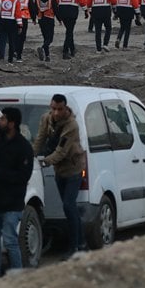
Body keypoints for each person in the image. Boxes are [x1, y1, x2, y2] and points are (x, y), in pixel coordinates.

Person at [0, 106, 35, 278]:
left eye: (3, 119)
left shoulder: (24, 147)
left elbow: (22, 176)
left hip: (13, 201)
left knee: (10, 239)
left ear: (12, 123)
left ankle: (17, 277)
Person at [34, 94, 86, 257]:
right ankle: (81, 243)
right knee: (70, 209)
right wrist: (30, 155)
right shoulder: (46, 119)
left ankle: (75, 247)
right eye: (53, 109)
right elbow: (40, 139)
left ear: (65, 108)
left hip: (73, 169)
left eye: (59, 109)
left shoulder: (71, 125)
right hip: (59, 170)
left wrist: (44, 162)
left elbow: (62, 151)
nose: (56, 113)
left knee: (69, 206)